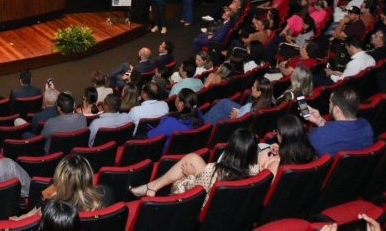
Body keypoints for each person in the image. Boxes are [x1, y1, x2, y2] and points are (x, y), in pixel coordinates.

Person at [130, 128, 268, 200]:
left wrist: (191, 175)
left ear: (230, 148)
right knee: (193, 158)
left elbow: (194, 191)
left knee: (186, 168)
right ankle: (151, 188)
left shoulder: (213, 170)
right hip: (226, 204)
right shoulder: (255, 169)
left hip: (202, 207)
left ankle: (150, 188)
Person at [19, 153, 114, 219]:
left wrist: (24, 217)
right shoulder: (105, 192)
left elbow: (38, 208)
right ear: (88, 174)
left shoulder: (54, 208)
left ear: (59, 178)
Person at [306, 86, 374, 157]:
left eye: (330, 102)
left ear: (337, 110)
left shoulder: (316, 135)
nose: (329, 105)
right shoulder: (366, 126)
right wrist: (319, 121)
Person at [204, 77, 273, 125]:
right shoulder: (267, 103)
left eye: (254, 87)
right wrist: (239, 112)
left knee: (220, 109)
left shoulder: (249, 108)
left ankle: (204, 123)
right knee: (224, 102)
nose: (251, 88)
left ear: (259, 93)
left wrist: (236, 116)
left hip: (238, 119)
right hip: (242, 112)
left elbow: (241, 122)